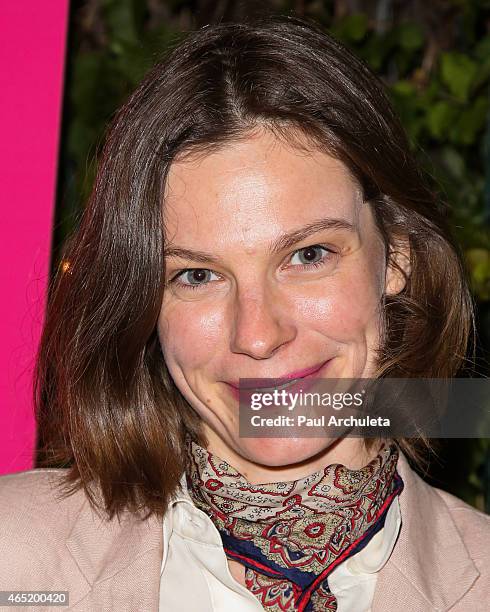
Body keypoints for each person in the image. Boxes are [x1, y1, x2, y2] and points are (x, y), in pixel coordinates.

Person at [0, 13, 489, 612]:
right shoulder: (15, 560)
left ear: (395, 260)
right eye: (198, 275)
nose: (257, 336)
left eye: (308, 255)